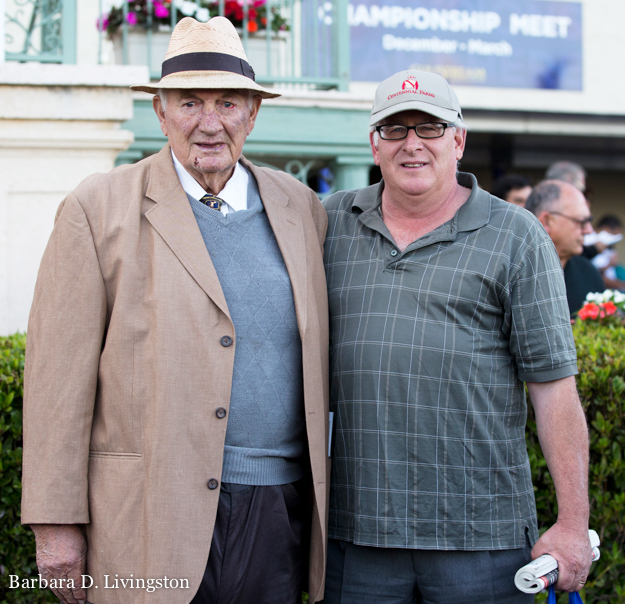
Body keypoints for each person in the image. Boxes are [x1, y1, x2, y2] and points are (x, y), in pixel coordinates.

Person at [21, 16, 330, 604]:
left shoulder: (301, 208)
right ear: (160, 112)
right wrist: (55, 523)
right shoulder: (98, 207)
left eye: (228, 103)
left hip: (279, 509)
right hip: (148, 513)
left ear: (252, 113)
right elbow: (57, 379)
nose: (209, 122)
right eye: (189, 102)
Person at [322, 70, 592, 604]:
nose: (412, 144)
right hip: (354, 538)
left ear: (458, 140)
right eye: (395, 130)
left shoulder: (516, 236)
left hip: (480, 542)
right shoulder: (328, 223)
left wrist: (572, 523)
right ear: (374, 143)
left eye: (430, 127)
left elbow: (554, 390)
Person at [525, 180, 604, 315]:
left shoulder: (589, 272)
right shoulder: (512, 273)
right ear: (547, 221)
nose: (589, 230)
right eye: (581, 222)